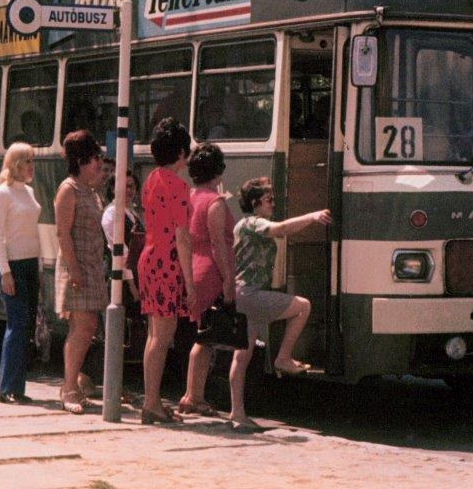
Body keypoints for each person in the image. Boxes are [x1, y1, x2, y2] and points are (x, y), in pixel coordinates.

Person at [227, 178, 331, 432]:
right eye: (269, 200)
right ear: (255, 203)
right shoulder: (253, 222)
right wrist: (313, 216)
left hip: (243, 295)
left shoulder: (244, 225)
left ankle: (237, 413)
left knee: (242, 356)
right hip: (251, 294)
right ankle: (283, 358)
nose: (273, 204)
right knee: (303, 306)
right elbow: (281, 228)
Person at [136, 118, 199, 425]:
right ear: (181, 153)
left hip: (149, 258)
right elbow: (182, 237)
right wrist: (190, 284)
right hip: (166, 263)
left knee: (154, 335)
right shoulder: (178, 186)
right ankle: (151, 403)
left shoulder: (152, 179)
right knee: (163, 336)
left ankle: (152, 400)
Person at [178, 143, 237, 417]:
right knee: (205, 339)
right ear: (219, 171)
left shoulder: (190, 197)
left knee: (203, 336)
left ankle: (193, 395)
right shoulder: (215, 202)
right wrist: (227, 281)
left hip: (194, 268)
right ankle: (193, 396)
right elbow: (218, 246)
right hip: (211, 271)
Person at [54, 129, 108, 414]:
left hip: (91, 267)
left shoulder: (89, 190)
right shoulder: (68, 190)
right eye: (93, 158)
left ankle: (72, 384)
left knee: (87, 328)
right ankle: (69, 387)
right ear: (80, 160)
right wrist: (74, 271)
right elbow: (63, 233)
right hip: (78, 268)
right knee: (82, 327)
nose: (98, 163)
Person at [0, 142, 41, 405]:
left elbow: (32, 232)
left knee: (27, 327)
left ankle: (17, 387)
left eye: (32, 160)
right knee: (16, 325)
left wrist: (39, 266)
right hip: (14, 265)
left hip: (31, 264)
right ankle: (5, 388)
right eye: (27, 161)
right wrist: (5, 272)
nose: (32, 166)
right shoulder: (2, 194)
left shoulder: (28, 192)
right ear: (15, 164)